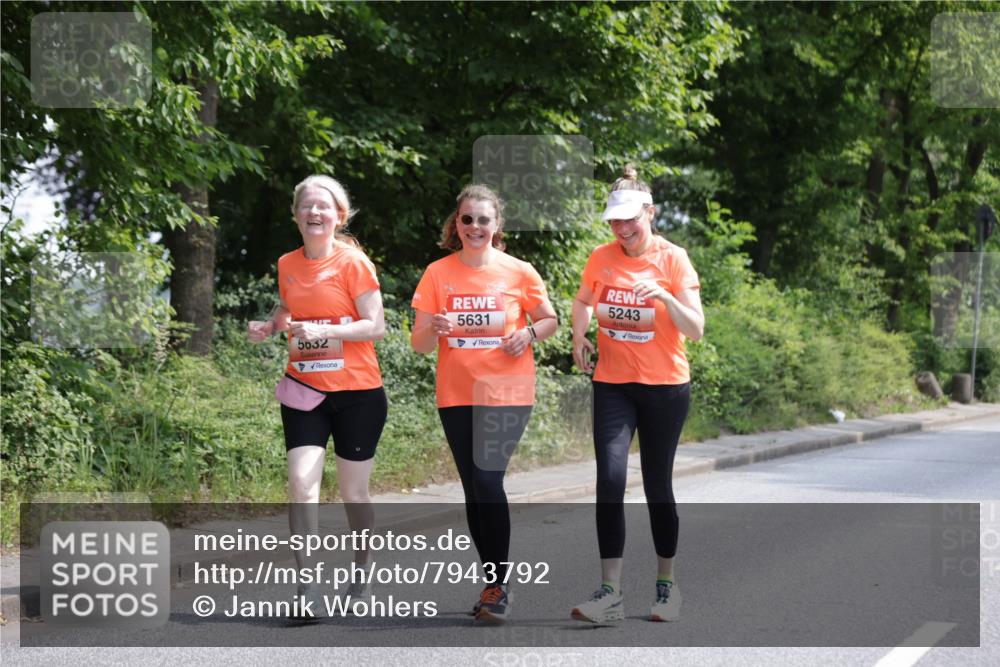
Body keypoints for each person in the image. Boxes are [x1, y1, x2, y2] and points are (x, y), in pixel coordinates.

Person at [410, 184, 557, 625]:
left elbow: (549, 319)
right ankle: (493, 581)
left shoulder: (519, 271)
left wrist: (528, 334)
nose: (475, 226)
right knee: (475, 487)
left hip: (507, 392)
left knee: (488, 480)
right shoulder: (438, 273)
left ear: (497, 225)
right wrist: (433, 327)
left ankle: (499, 586)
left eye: (483, 219)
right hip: (456, 394)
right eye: (467, 219)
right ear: (457, 224)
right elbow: (418, 345)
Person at [248, 174, 387, 619]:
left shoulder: (353, 263)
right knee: (301, 485)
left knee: (354, 494)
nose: (314, 212)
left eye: (323, 207)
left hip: (359, 393)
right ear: (295, 215)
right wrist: (271, 326)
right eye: (306, 206)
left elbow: (375, 326)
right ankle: (306, 588)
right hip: (305, 389)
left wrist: (326, 329)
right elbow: (289, 306)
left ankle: (362, 568)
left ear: (338, 216)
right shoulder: (287, 263)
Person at [570, 165, 704, 623]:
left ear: (650, 212)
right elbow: (584, 300)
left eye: (630, 219)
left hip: (666, 388)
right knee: (609, 480)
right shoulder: (600, 258)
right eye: (614, 221)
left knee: (656, 487)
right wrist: (579, 335)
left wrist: (666, 298)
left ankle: (666, 587)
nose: (622, 229)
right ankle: (610, 592)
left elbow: (697, 329)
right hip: (612, 383)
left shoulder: (674, 259)